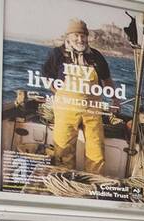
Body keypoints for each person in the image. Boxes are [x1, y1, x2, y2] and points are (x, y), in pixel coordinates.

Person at [42, 19, 112, 175]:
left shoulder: (96, 56)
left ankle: (94, 181)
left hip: (92, 109)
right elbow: (46, 76)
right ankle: (64, 180)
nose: (80, 39)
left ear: (87, 37)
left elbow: (107, 80)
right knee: (63, 147)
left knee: (96, 150)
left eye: (83, 35)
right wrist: (58, 93)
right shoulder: (57, 54)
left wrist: (115, 100)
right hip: (66, 107)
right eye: (76, 35)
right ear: (68, 36)